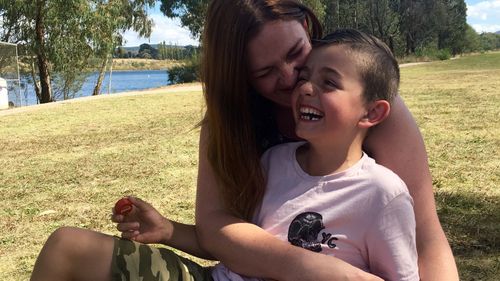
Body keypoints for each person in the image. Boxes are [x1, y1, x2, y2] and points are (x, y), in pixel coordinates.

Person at [30, 1, 458, 281]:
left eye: (296, 54)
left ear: (308, 25)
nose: (293, 81)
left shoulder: (372, 109)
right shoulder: (239, 131)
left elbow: (425, 235)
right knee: (67, 247)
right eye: (266, 73)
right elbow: (218, 228)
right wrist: (314, 269)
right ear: (239, 77)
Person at [212, 28, 419, 281]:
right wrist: (169, 231)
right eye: (304, 77)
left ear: (371, 113)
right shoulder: (272, 161)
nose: (306, 88)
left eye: (329, 82)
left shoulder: (383, 194)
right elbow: (236, 242)